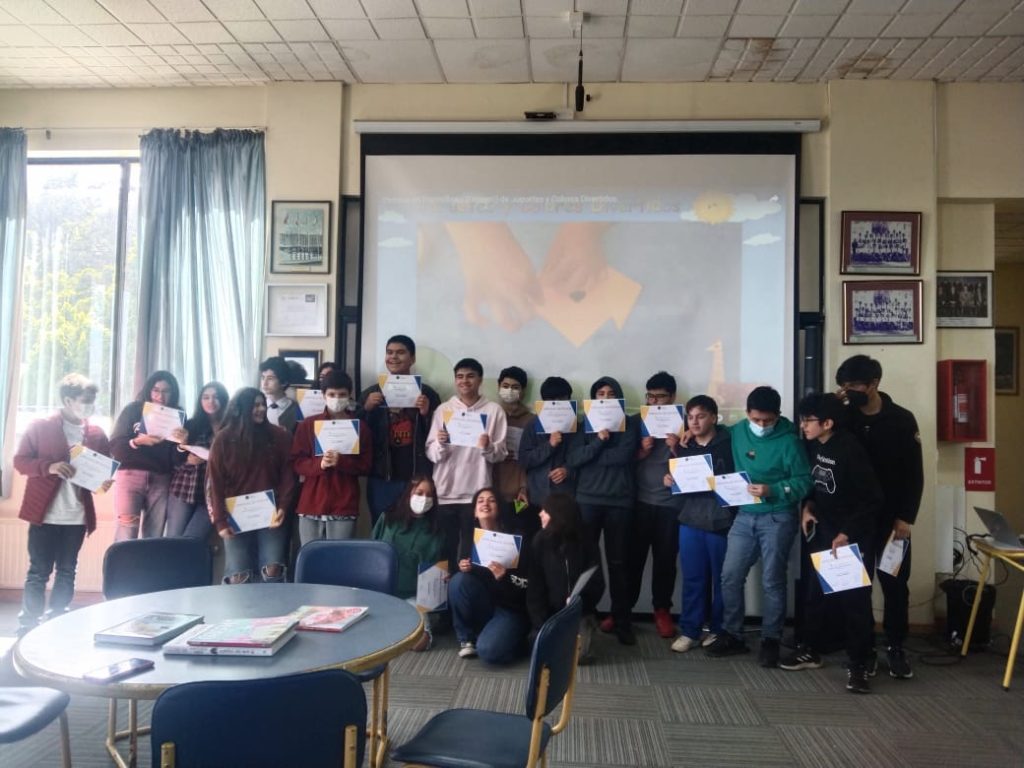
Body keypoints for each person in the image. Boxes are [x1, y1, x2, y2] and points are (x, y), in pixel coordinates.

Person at [779, 393, 883, 694]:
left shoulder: (850, 449)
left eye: (808, 421)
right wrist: (808, 507)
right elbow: (816, 486)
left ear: (828, 423)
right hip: (824, 531)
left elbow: (873, 499)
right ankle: (810, 650)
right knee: (815, 595)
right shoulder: (814, 445)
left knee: (854, 602)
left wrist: (848, 532)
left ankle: (859, 663)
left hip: (851, 537)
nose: (803, 426)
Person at [706, 386, 812, 668]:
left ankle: (770, 639)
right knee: (730, 576)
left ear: (778, 415)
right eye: (756, 419)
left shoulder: (790, 441)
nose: (762, 425)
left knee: (772, 580)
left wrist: (773, 489)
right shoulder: (738, 431)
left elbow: (804, 481)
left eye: (768, 420)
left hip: (778, 516)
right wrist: (687, 436)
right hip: (745, 515)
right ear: (747, 414)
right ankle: (733, 634)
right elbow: (709, 433)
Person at [835, 354, 923, 679]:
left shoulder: (902, 419)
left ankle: (896, 647)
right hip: (856, 519)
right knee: (856, 587)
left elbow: (915, 474)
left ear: (874, 384)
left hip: (892, 520)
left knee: (895, 585)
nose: (849, 391)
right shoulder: (844, 418)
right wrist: (835, 405)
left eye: (854, 385)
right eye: (844, 386)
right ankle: (864, 650)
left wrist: (906, 517)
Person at [14, 374, 113, 635]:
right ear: (68, 400)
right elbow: (20, 461)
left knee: (67, 571)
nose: (90, 405)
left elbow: (104, 473)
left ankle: (57, 623)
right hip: (44, 514)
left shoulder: (96, 433)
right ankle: (27, 626)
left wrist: (104, 483)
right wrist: (50, 467)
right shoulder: (40, 427)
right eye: (85, 400)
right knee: (38, 572)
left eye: (93, 400)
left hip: (77, 516)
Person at [567, 376, 640, 645]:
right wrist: (598, 442)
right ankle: (586, 615)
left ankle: (622, 620)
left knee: (619, 563)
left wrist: (592, 455)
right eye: (601, 393)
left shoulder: (629, 424)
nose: (606, 397)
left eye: (611, 393)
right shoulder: (584, 424)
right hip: (587, 501)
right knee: (585, 562)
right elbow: (574, 459)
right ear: (594, 397)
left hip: (620, 502)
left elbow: (623, 457)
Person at [667, 395, 736, 653]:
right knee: (693, 578)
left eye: (701, 416)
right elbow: (680, 482)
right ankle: (690, 630)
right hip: (690, 519)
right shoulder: (685, 446)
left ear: (714, 418)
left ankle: (718, 629)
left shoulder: (729, 443)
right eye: (690, 417)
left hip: (720, 520)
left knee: (722, 579)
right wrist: (669, 480)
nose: (694, 422)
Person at [426, 358, 508, 574]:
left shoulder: (494, 411)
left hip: (477, 495)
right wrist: (441, 444)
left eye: (470, 376)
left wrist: (488, 447)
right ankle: (443, 595)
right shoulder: (443, 410)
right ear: (455, 380)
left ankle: (464, 593)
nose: (465, 381)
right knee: (444, 551)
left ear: (480, 380)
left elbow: (500, 455)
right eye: (460, 377)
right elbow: (431, 453)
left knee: (470, 557)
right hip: (445, 492)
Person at [207, 387, 296, 583]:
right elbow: (214, 483)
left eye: (263, 404)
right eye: (255, 405)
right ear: (240, 409)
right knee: (238, 575)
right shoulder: (223, 439)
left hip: (272, 513)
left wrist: (283, 506)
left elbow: (288, 476)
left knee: (273, 569)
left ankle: (273, 604)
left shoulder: (279, 436)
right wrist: (220, 522)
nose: (261, 409)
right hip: (235, 514)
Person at [359, 335, 441, 526]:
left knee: (417, 527)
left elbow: (440, 437)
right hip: (382, 476)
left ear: (412, 358)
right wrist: (366, 409)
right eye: (389, 352)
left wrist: (426, 414)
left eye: (400, 352)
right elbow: (356, 437)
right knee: (381, 525)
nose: (393, 357)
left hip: (416, 476)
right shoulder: (371, 393)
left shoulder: (427, 394)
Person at [629, 371, 684, 639]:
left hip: (670, 505)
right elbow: (620, 461)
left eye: (660, 397)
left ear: (672, 397)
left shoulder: (685, 424)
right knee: (633, 559)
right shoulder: (636, 422)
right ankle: (622, 610)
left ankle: (662, 610)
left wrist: (676, 449)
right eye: (650, 396)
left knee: (665, 561)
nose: (654, 402)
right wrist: (641, 451)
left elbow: (698, 465)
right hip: (639, 502)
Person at [449, 487, 531, 664]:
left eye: (491, 500)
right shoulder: (469, 537)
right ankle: (467, 639)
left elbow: (527, 585)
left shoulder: (516, 537)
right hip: (485, 602)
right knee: (458, 581)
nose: (485, 503)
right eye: (480, 501)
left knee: (488, 652)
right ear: (474, 512)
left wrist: (504, 577)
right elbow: (464, 580)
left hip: (511, 608)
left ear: (499, 508)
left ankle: (516, 640)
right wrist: (463, 567)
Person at [290, 371, 372, 545]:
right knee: (310, 555)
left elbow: (366, 465)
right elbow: (297, 462)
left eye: (342, 394)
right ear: (323, 395)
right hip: (311, 502)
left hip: (344, 504)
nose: (337, 399)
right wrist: (319, 464)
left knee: (339, 556)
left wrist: (342, 462)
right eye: (332, 394)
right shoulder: (308, 425)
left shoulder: (360, 427)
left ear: (349, 395)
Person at [527, 493, 604, 664]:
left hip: (579, 612)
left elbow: (597, 582)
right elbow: (535, 588)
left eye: (545, 510)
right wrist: (540, 623)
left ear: (558, 515)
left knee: (581, 655)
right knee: (539, 648)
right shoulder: (540, 540)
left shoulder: (586, 539)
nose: (540, 514)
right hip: (549, 613)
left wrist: (580, 601)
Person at [372, 475, 444, 651]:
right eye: (419, 493)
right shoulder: (387, 518)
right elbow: (370, 554)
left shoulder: (436, 530)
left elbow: (435, 573)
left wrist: (429, 606)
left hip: (413, 596)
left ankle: (395, 628)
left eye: (429, 495)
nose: (424, 498)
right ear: (408, 494)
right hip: (382, 593)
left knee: (420, 643)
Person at [109, 370, 183, 540]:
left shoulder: (176, 415)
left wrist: (182, 444)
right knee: (127, 532)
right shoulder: (133, 410)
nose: (160, 396)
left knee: (154, 535)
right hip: (130, 476)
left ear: (173, 393)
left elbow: (176, 459)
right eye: (156, 390)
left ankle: (149, 559)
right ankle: (124, 559)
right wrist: (138, 442)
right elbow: (115, 446)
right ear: (149, 390)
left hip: (161, 479)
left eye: (166, 391)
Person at [166, 381, 228, 538]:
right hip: (185, 487)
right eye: (206, 397)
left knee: (193, 539)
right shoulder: (192, 424)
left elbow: (237, 460)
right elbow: (174, 459)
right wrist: (183, 446)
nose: (211, 401)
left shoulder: (232, 427)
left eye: (215, 397)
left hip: (213, 493)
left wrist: (210, 459)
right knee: (173, 538)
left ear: (224, 399)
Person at [518, 376, 577, 509]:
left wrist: (567, 470)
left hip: (566, 496)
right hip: (536, 495)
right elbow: (524, 460)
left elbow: (581, 458)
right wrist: (549, 445)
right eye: (551, 400)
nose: (557, 403)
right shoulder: (533, 425)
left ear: (569, 400)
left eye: (562, 399)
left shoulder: (576, 427)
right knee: (529, 521)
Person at [492, 366, 533, 513]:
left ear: (523, 391)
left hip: (519, 492)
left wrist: (524, 487)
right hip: (490, 489)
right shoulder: (490, 415)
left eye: (515, 387)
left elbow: (532, 456)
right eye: (505, 386)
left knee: (517, 524)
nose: (509, 390)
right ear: (498, 387)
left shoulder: (531, 420)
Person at [259, 356, 300, 434]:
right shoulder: (256, 407)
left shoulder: (297, 410)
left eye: (270, 378)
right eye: (263, 378)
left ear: (284, 382)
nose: (264, 383)